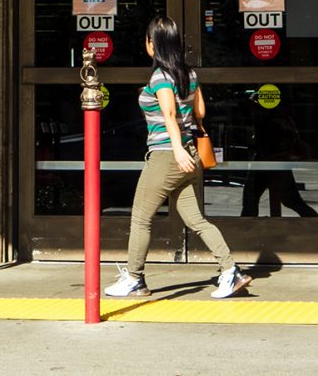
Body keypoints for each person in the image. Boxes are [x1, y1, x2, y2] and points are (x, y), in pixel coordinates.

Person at [103, 16, 249, 300]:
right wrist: (183, 144)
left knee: (140, 218)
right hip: (188, 155)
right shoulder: (188, 74)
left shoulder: (160, 77)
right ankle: (231, 271)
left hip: (168, 155)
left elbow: (169, 114)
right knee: (196, 220)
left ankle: (134, 278)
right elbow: (200, 112)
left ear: (152, 44)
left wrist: (177, 148)